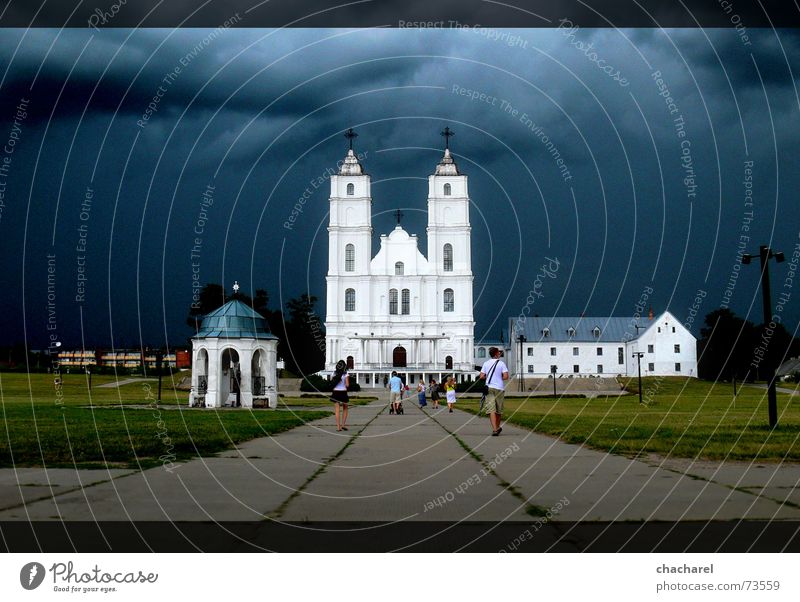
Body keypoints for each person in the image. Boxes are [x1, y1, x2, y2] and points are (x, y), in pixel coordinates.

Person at [479, 347, 510, 436]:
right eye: (499, 352)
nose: (500, 353)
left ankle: (495, 429)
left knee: (491, 409)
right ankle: (497, 426)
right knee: (498, 410)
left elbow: (481, 376)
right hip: (499, 388)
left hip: (489, 388)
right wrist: (498, 377)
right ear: (496, 354)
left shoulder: (486, 363)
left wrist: (488, 377)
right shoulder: (501, 364)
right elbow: (506, 377)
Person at [331, 359, 350, 431]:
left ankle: (338, 427)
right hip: (343, 392)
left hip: (336, 392)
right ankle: (343, 425)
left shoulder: (334, 373)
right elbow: (347, 385)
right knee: (345, 408)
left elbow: (332, 383)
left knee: (337, 410)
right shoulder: (346, 374)